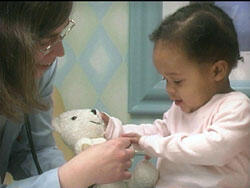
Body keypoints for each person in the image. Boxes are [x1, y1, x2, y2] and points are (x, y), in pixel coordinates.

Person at [101, 3, 250, 188]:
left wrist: (149, 143)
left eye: (177, 81)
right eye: (165, 79)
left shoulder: (237, 107)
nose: (169, 89)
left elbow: (211, 149)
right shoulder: (180, 108)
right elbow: (159, 131)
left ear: (217, 71)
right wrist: (115, 130)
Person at [0, 2, 134, 188]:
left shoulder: (41, 69)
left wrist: (76, 178)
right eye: (46, 42)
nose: (59, 52)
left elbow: (36, 150)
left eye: (60, 35)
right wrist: (70, 177)